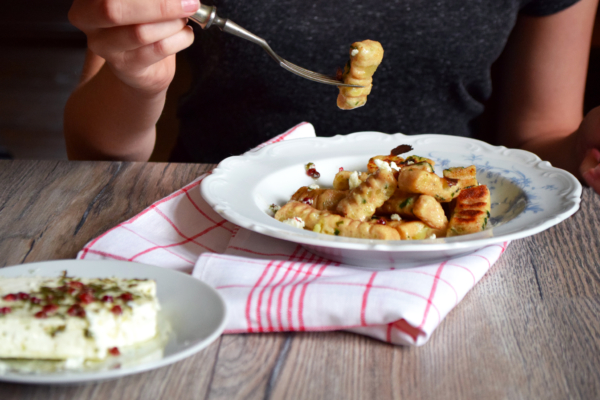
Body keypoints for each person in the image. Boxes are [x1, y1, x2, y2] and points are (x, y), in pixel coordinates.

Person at [64, 0, 600, 194]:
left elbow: (538, 137)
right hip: (221, 226)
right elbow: (94, 150)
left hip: (446, 243)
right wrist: (137, 80)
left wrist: (585, 147)